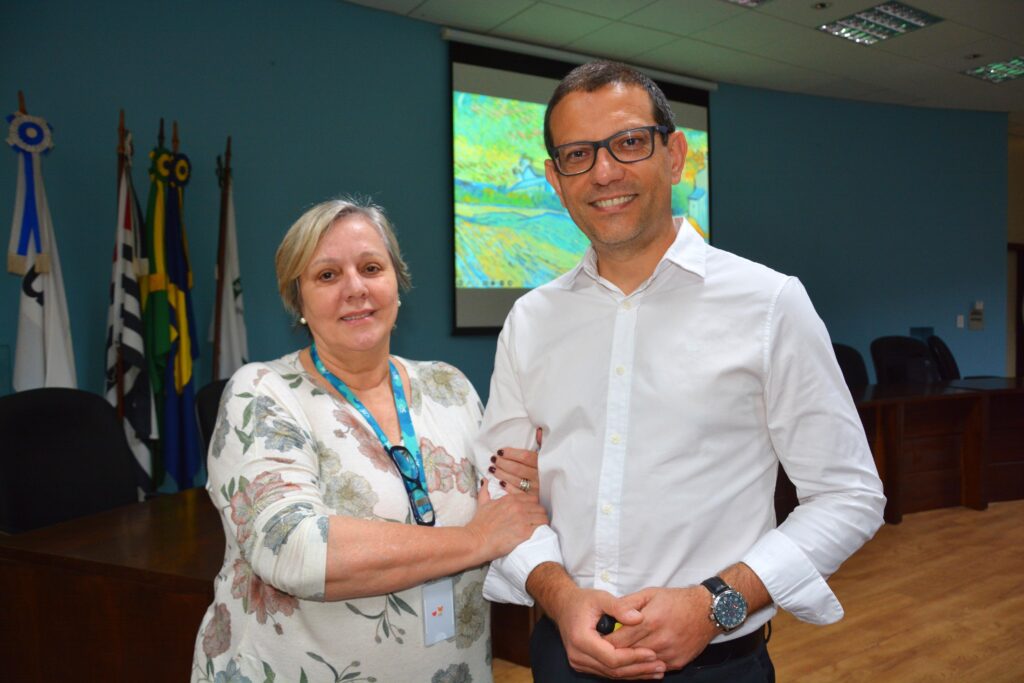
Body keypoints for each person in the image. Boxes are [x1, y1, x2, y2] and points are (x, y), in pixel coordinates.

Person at [476, 61, 886, 681]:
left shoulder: (769, 304)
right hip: (565, 654)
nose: (604, 172)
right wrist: (559, 596)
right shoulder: (531, 320)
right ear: (556, 180)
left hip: (715, 664)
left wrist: (714, 605)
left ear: (674, 156)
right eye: (578, 155)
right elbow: (500, 490)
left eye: (628, 143)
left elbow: (848, 496)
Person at [190, 198, 547, 683]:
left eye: (371, 268)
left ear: (397, 284)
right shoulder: (262, 394)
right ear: (298, 299)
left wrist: (529, 485)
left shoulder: (450, 387)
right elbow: (293, 551)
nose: (355, 288)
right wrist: (475, 540)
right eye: (327, 275)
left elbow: (503, 509)